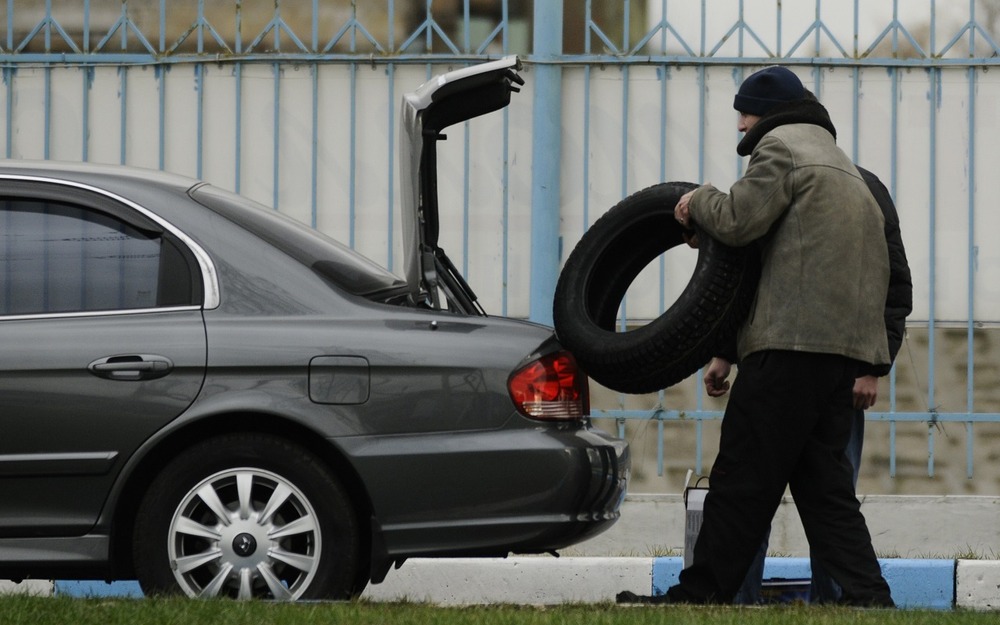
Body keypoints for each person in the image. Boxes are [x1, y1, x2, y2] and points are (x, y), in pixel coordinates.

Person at [616, 65, 895, 606]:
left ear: (761, 113)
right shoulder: (843, 167)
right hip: (839, 355)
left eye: (742, 115)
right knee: (826, 491)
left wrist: (698, 202)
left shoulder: (782, 150)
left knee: (742, 476)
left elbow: (742, 220)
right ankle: (870, 597)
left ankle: (698, 596)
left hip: (789, 348)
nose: (739, 127)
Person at [733, 162, 913, 605]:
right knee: (753, 489)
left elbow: (893, 285)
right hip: (777, 369)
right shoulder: (777, 181)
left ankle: (836, 599)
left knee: (832, 495)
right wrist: (723, 350)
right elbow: (746, 275)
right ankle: (736, 598)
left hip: (838, 373)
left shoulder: (864, 188)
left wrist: (873, 366)